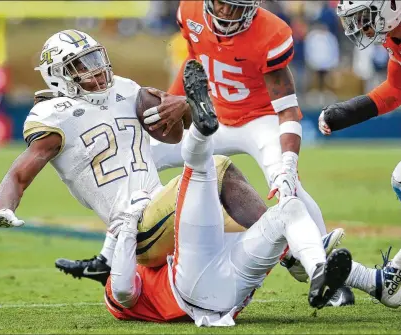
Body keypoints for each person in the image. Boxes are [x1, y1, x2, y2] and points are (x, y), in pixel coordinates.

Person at [101, 60, 400, 326]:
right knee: (208, 166)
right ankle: (201, 127)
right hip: (187, 287)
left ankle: (319, 270)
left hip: (227, 292)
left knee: (289, 208)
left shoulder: (137, 248)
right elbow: (123, 293)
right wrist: (127, 229)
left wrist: (126, 231)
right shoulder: (125, 266)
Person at [0, 29, 283, 281]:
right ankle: (290, 247)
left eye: (95, 58)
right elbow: (18, 174)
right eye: (80, 65)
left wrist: (179, 109)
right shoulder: (54, 116)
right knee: (217, 168)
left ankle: (297, 252)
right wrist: (5, 208)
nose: (95, 69)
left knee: (248, 229)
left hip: (158, 212)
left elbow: (174, 132)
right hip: (138, 229)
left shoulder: (124, 89)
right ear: (58, 76)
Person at [138, 0, 340, 290]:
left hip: (260, 121)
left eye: (235, 6)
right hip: (214, 115)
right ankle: (124, 234)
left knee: (286, 185)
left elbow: (288, 110)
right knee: (142, 153)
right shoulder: (190, 10)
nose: (224, 13)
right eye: (221, 4)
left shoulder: (271, 31)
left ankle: (323, 267)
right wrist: (175, 101)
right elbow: (195, 59)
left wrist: (289, 165)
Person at [318, 0, 401, 201]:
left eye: (364, 17)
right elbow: (395, 89)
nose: (359, 25)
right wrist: (345, 113)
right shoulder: (392, 39)